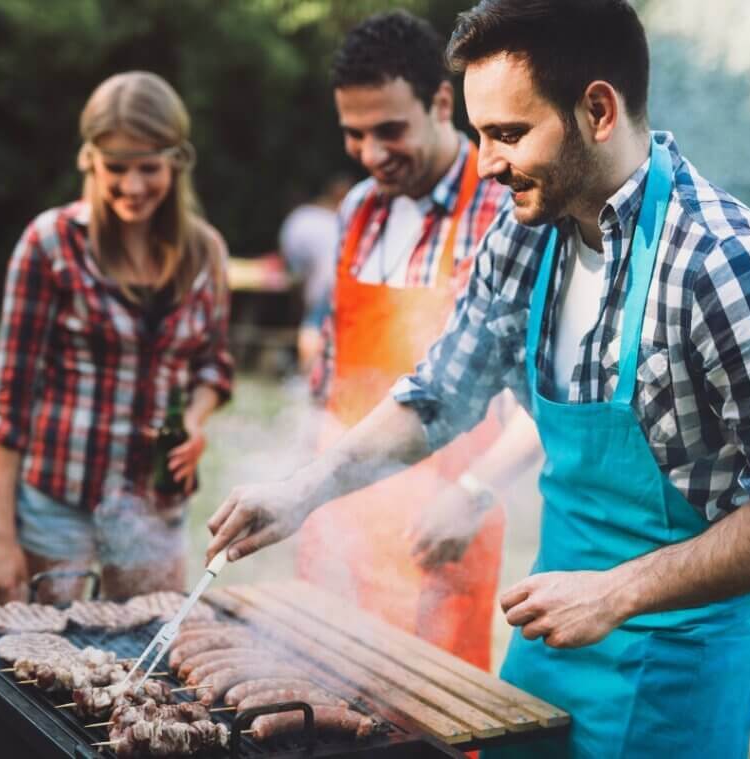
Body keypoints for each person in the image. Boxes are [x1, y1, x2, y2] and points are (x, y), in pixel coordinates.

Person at [205, 1, 750, 756]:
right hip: (550, 629)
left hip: (678, 660)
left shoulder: (722, 264)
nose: (485, 164)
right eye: (478, 135)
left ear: (597, 109)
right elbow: (442, 392)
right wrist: (304, 489)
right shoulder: (526, 232)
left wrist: (618, 590)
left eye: (507, 134)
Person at [294, 10, 519, 671]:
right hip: (340, 522)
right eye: (354, 134)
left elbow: (537, 396)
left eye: (388, 129)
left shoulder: (501, 207)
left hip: (441, 527)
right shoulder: (357, 209)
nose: (370, 153)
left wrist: (475, 489)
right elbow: (333, 368)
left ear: (441, 102)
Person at [0, 71, 233, 605]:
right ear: (89, 159)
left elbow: (214, 365)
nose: (133, 186)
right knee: (44, 666)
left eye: (149, 167)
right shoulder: (48, 244)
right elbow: (10, 395)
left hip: (155, 507)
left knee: (146, 659)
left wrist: (193, 422)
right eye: (116, 167)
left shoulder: (206, 252)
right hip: (57, 503)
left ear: (177, 160)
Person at [278, 175, 351, 373]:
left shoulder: (301, 217)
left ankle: (307, 377)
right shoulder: (341, 220)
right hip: (344, 280)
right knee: (323, 331)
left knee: (313, 327)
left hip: (325, 282)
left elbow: (293, 264)